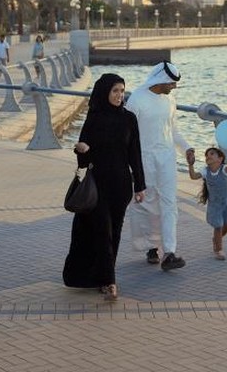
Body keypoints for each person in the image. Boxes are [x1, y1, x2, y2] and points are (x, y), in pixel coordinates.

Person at [63, 73, 146, 301]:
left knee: (115, 232)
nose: (119, 96)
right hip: (97, 185)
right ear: (104, 92)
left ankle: (104, 277)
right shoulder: (94, 118)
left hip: (121, 186)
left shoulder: (129, 119)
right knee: (102, 231)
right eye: (115, 91)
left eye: (122, 91)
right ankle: (109, 282)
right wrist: (81, 150)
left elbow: (135, 154)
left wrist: (140, 185)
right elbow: (84, 159)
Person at [125, 61, 195, 271]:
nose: (173, 87)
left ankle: (170, 252)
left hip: (166, 159)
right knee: (146, 204)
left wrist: (187, 148)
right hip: (143, 159)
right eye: (171, 84)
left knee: (169, 204)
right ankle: (151, 247)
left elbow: (173, 130)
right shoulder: (136, 99)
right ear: (161, 80)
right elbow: (127, 135)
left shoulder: (169, 100)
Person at [187, 147, 227, 261]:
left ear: (220, 159)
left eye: (212, 154)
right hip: (215, 204)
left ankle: (217, 239)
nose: (208, 156)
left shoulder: (223, 169)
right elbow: (193, 176)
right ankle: (219, 249)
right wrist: (190, 165)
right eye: (206, 155)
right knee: (218, 226)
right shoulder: (206, 171)